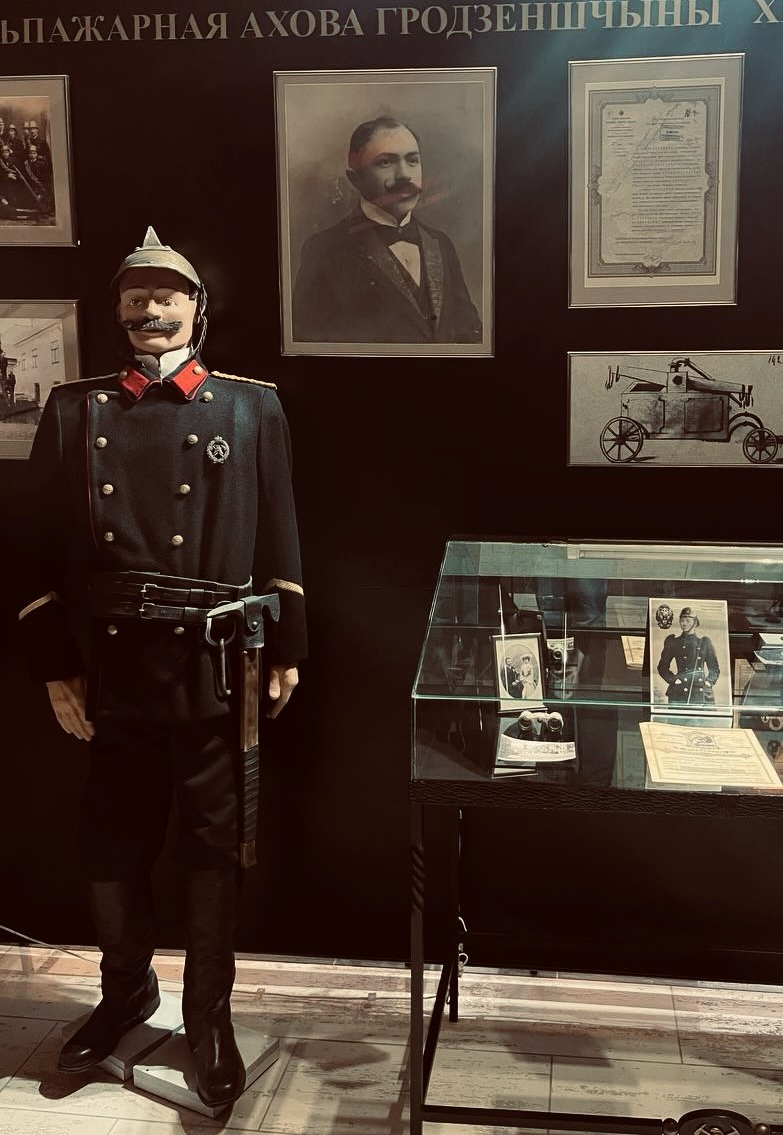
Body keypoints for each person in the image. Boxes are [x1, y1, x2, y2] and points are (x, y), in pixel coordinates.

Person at [17, 227, 307, 1108]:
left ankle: (208, 1016)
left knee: (214, 844)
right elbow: (34, 550)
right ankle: (125, 996)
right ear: (118, 311)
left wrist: (288, 645)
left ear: (197, 308)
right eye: (135, 296)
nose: (150, 309)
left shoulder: (250, 408)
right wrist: (53, 663)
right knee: (111, 840)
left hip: (214, 666)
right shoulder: (75, 410)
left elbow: (281, 531)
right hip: (112, 667)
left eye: (166, 294)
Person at [292, 116, 482, 344]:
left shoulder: (440, 243)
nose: (404, 174)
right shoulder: (324, 249)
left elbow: (469, 333)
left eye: (412, 160)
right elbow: (310, 345)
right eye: (385, 162)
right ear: (355, 178)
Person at [656, 607, 720, 705]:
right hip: (680, 691)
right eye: (682, 620)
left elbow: (714, 668)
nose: (684, 623)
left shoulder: (704, 642)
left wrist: (709, 682)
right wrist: (673, 679)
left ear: (695, 622)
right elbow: (662, 667)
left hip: (701, 692)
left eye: (687, 620)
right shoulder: (673, 642)